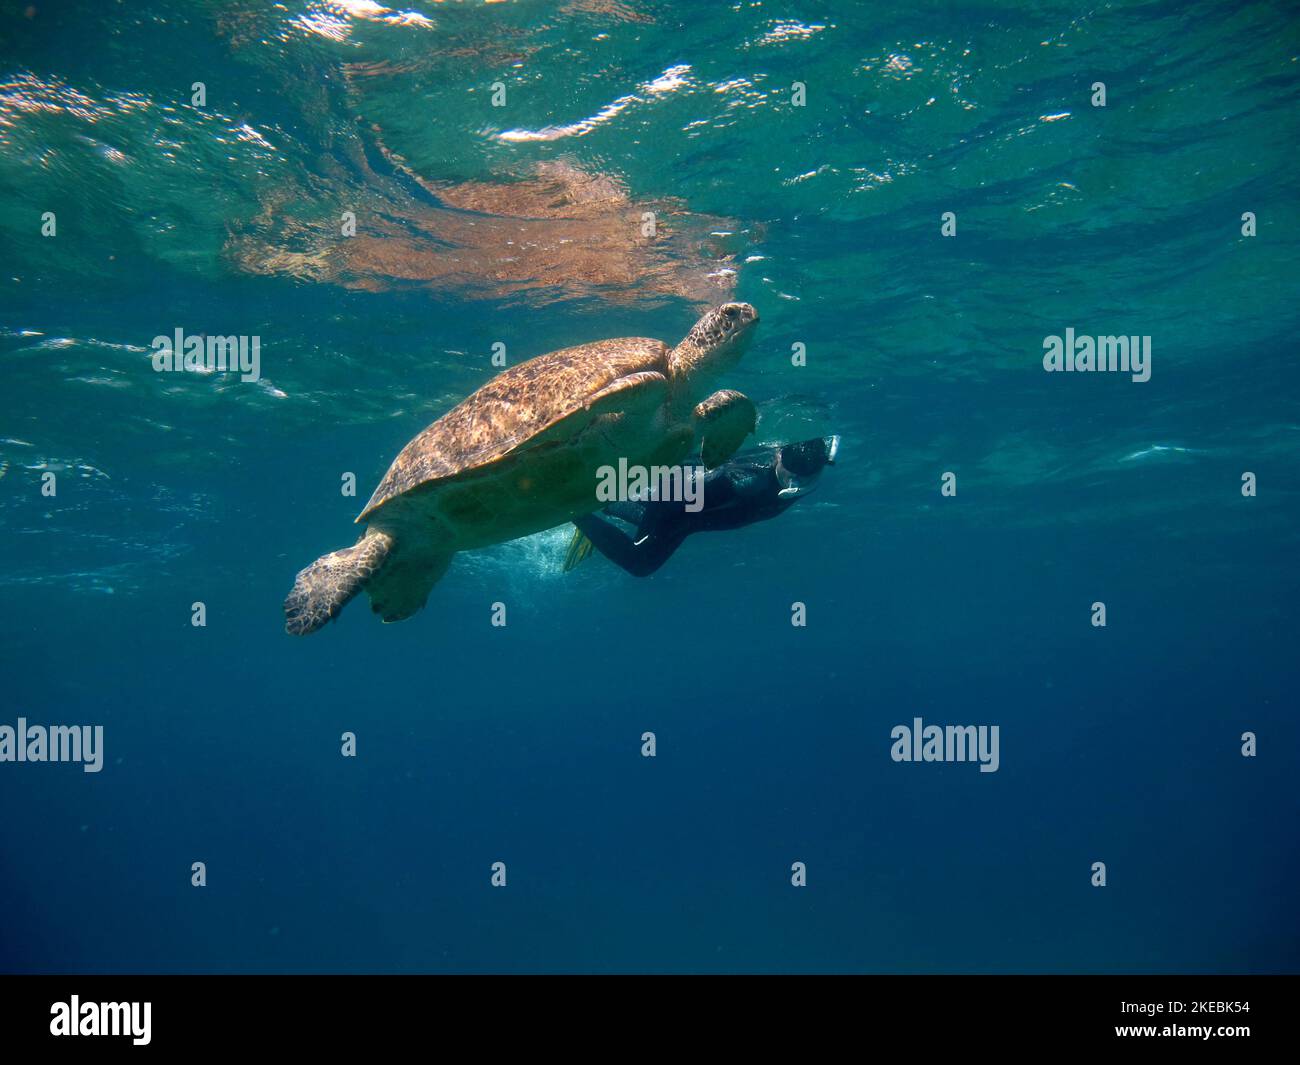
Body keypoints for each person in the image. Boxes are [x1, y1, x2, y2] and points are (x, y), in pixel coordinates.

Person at [564, 435, 840, 576]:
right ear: (778, 456)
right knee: (640, 563)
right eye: (787, 473)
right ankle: (579, 509)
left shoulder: (813, 459)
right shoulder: (740, 482)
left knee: (678, 518)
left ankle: (604, 508)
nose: (791, 483)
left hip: (695, 513)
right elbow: (668, 500)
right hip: (678, 504)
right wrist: (617, 499)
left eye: (800, 478)